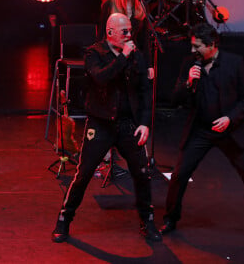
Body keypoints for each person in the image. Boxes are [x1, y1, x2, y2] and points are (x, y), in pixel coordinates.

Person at [159, 23, 244, 243]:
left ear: (212, 45)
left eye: (197, 46)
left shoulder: (234, 63)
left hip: (228, 130)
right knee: (180, 174)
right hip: (201, 129)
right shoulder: (189, 65)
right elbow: (174, 99)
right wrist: (188, 83)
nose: (192, 51)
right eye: (192, 46)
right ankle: (170, 219)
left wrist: (229, 118)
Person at [51, 13, 162, 243]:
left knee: (142, 174)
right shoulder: (95, 53)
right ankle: (64, 219)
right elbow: (101, 78)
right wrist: (122, 57)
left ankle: (148, 220)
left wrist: (144, 123)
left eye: (130, 31)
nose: (129, 35)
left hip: (128, 124)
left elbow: (144, 91)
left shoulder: (136, 56)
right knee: (83, 174)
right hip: (100, 123)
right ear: (110, 32)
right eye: (124, 32)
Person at [100, 0, 154, 79]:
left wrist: (149, 65)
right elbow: (102, 35)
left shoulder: (142, 5)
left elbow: (145, 39)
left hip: (135, 60)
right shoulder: (109, 5)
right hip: (114, 57)